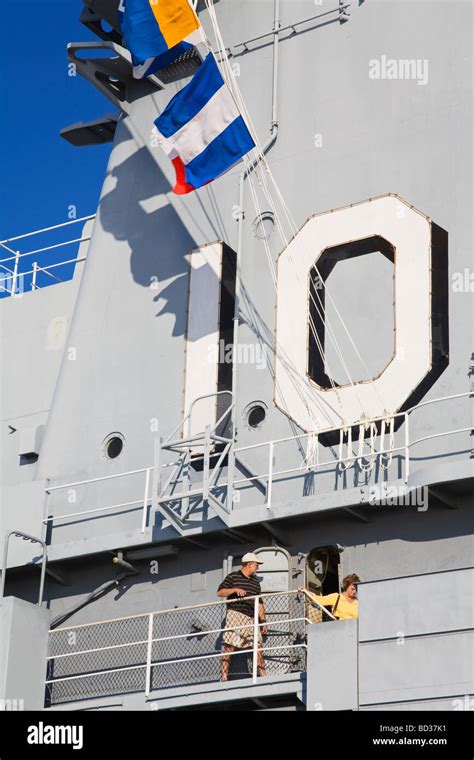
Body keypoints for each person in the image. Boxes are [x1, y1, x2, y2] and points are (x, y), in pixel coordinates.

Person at [217, 552, 268, 681]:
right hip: (235, 614)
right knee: (230, 645)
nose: (258, 568)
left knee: (258, 645)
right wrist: (234, 590)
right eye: (256, 565)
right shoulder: (233, 577)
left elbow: (259, 602)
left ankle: (263, 674)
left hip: (251, 618)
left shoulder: (255, 583)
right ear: (249, 564)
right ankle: (223, 675)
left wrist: (263, 620)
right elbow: (220, 592)